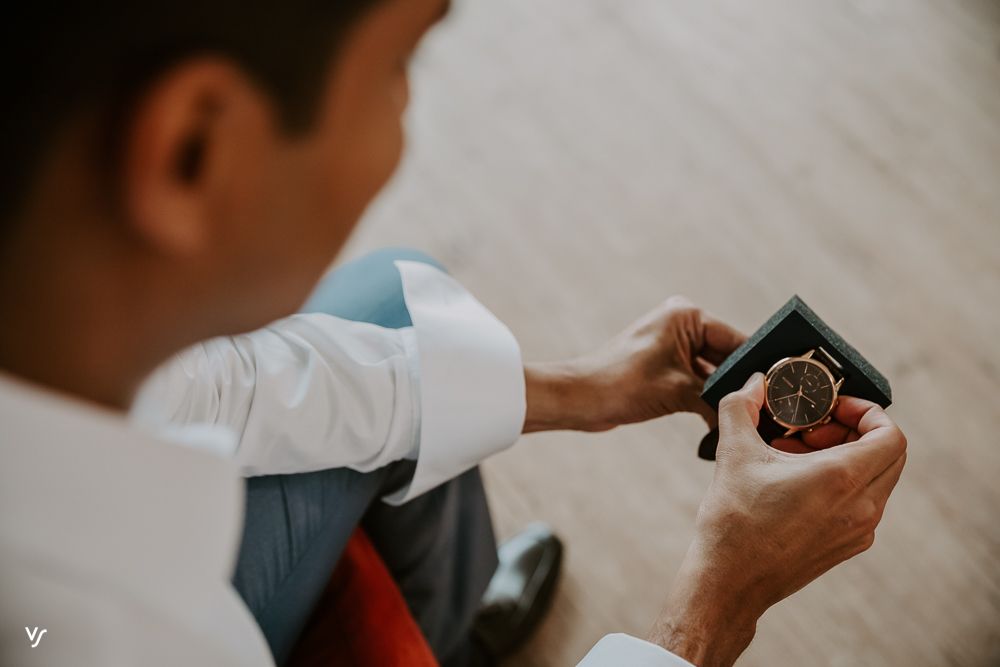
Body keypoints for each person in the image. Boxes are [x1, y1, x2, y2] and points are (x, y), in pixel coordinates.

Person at [0, 0, 907, 665]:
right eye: (402, 67)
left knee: (397, 308)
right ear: (195, 148)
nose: (403, 123)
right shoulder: (76, 632)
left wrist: (577, 390)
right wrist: (715, 606)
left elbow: (208, 382)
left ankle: (451, 639)